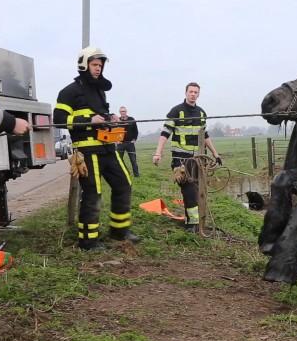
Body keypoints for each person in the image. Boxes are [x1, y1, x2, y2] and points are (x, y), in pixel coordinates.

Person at [53, 46, 140, 251]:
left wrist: (111, 119)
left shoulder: (99, 90)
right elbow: (58, 120)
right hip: (87, 151)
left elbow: (99, 116)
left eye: (100, 65)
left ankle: (120, 231)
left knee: (124, 183)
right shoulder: (69, 91)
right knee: (93, 193)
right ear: (84, 64)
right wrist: (88, 119)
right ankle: (88, 242)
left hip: (108, 147)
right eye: (94, 64)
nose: (98, 68)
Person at [152, 82, 222, 233]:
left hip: (198, 160)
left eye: (196, 92)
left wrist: (216, 154)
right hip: (181, 161)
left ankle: (194, 221)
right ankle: (192, 224)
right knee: (189, 190)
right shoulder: (176, 111)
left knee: (196, 190)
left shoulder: (202, 113)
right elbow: (165, 134)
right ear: (186, 93)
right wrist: (158, 153)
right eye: (190, 92)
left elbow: (205, 136)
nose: (193, 94)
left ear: (198, 94)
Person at [116, 106, 139, 177]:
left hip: (130, 143)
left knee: (133, 160)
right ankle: (126, 172)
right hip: (120, 144)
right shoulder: (117, 120)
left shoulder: (131, 119)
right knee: (119, 160)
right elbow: (115, 131)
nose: (123, 113)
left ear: (126, 112)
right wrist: (116, 140)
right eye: (121, 111)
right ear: (120, 112)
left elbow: (136, 130)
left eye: (124, 111)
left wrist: (134, 139)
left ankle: (136, 175)